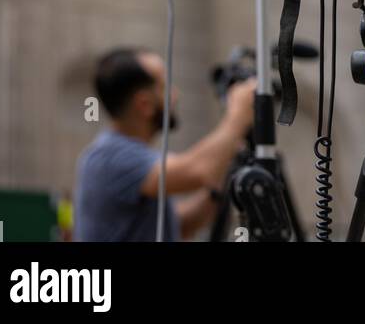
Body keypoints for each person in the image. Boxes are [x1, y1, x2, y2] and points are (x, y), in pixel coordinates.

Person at [73, 47, 256, 242]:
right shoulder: (109, 157)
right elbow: (199, 170)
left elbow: (180, 225)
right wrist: (239, 114)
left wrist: (217, 189)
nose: (175, 94)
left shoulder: (124, 154)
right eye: (165, 86)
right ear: (144, 105)